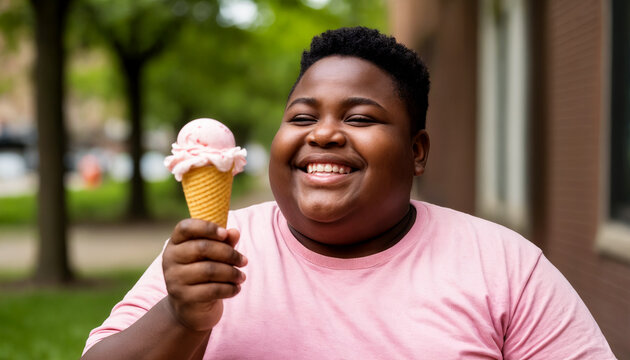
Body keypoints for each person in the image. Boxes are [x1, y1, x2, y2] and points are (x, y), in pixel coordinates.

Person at [82, 27, 616, 359]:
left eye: (360, 117)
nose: (323, 133)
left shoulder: (504, 266)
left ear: (417, 151)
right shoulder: (212, 253)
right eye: (302, 116)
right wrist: (180, 318)